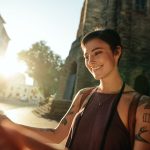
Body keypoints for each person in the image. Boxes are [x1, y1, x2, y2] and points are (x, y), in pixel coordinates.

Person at [0, 29, 150, 150]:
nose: (90, 61)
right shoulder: (83, 95)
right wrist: (11, 126)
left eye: (97, 52)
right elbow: (56, 135)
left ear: (116, 52)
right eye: (86, 56)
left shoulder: (142, 106)